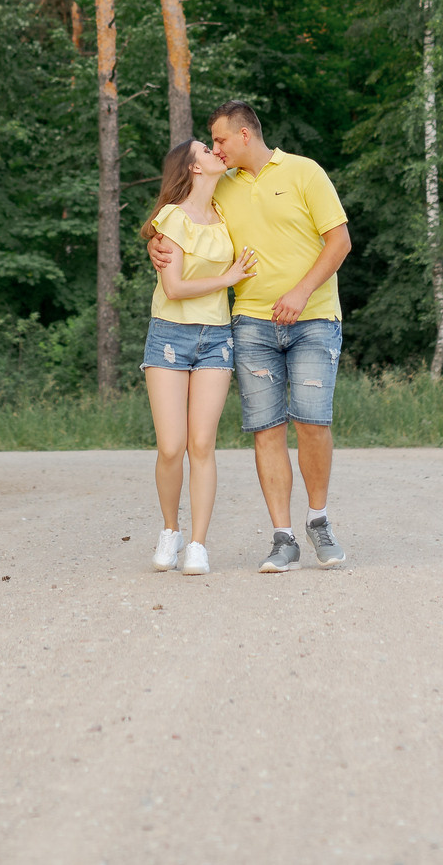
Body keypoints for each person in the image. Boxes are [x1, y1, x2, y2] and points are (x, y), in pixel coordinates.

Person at [150, 100, 351, 573]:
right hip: (250, 322)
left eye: (219, 139)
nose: (215, 148)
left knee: (312, 423)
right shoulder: (223, 187)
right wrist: (156, 244)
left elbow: (339, 241)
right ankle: (283, 538)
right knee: (266, 429)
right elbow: (183, 217)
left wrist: (301, 292)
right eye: (210, 145)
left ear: (243, 135)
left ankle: (318, 521)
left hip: (314, 317)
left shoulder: (304, 172)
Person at [137, 138, 257, 577]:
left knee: (202, 445)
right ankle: (170, 530)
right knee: (172, 447)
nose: (215, 152)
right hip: (170, 334)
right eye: (206, 150)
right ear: (193, 168)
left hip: (216, 337)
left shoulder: (225, 214)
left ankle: (197, 544)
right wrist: (228, 278)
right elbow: (173, 289)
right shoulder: (172, 217)